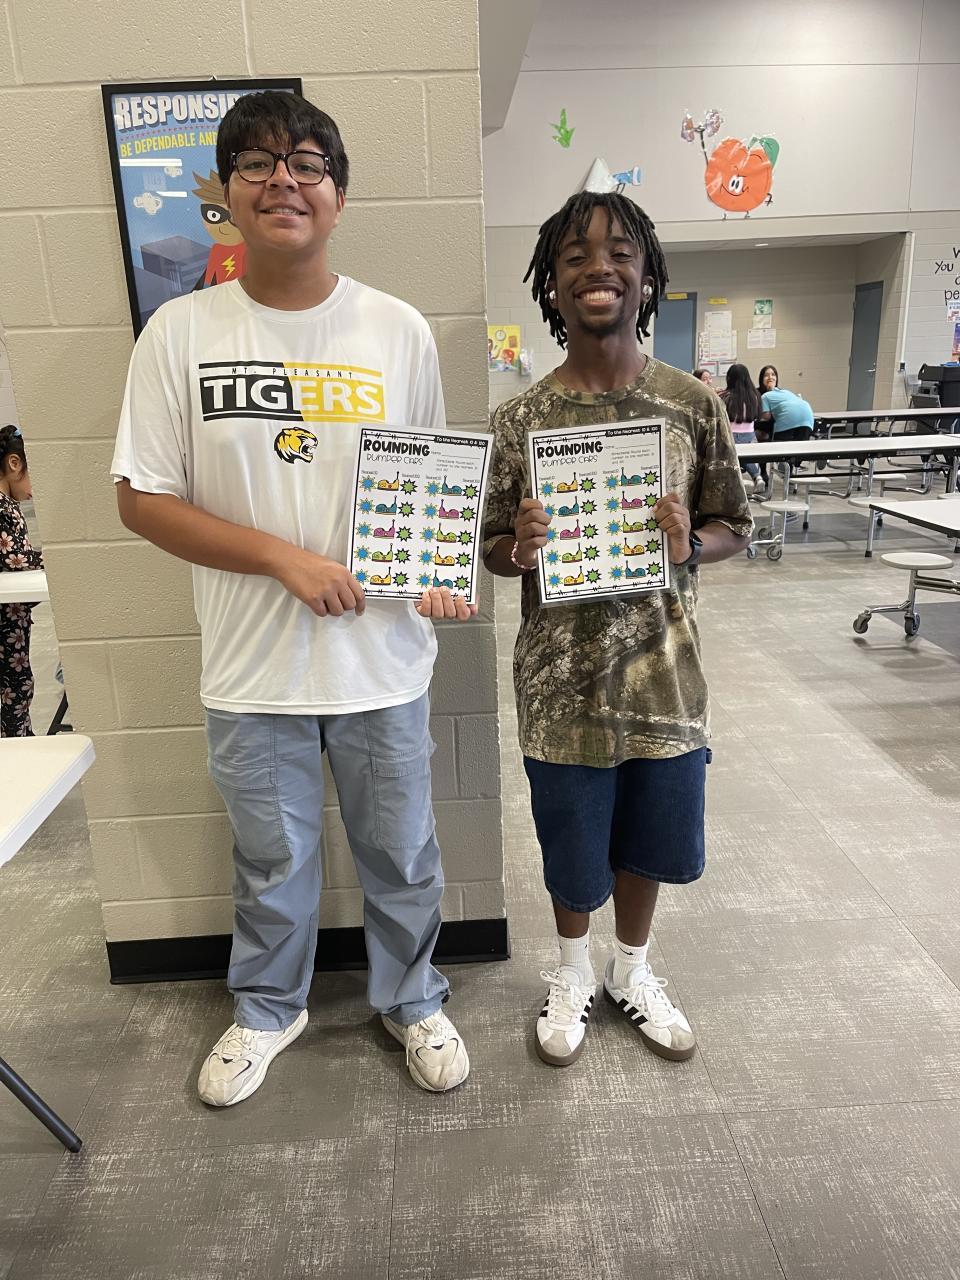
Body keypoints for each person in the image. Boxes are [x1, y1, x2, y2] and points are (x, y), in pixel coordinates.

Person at [112, 91, 472, 1106]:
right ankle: (270, 1007)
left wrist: (439, 570)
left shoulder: (396, 329)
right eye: (258, 164)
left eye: (307, 163)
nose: (284, 180)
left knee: (402, 854)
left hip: (382, 659)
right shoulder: (177, 332)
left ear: (338, 196)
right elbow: (141, 499)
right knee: (271, 862)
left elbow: (428, 483)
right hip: (251, 665)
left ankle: (413, 998)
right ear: (226, 195)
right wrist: (282, 558)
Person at [481, 191, 752, 1069]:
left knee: (649, 841)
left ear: (647, 278)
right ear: (551, 286)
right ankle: (571, 972)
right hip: (560, 687)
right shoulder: (519, 420)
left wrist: (689, 544)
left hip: (665, 678)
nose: (599, 266)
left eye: (620, 252)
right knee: (571, 847)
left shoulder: (690, 404)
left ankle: (631, 968)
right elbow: (489, 548)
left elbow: (734, 525)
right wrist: (519, 548)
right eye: (575, 256)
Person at [0, 424, 43, 738]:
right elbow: (15, 558)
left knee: (18, 687)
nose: (33, 490)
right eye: (34, 476)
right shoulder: (3, 508)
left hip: (13, 618)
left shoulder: (8, 506)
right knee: (17, 688)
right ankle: (18, 747)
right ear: (14, 463)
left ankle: (19, 742)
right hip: (6, 622)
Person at [719, 363, 763, 495]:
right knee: (744, 457)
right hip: (750, 434)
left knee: (734, 457)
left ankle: (733, 483)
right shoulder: (755, 395)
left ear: (729, 378)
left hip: (730, 434)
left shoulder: (726, 396)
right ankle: (757, 476)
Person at [758, 365, 814, 441]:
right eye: (766, 375)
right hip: (808, 419)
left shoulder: (765, 396)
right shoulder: (786, 392)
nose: (770, 377)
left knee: (780, 446)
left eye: (773, 374)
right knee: (800, 447)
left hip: (788, 420)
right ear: (761, 379)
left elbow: (766, 417)